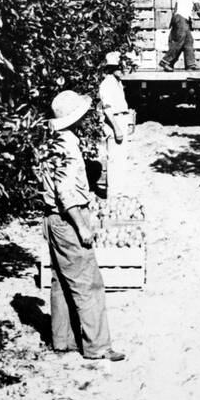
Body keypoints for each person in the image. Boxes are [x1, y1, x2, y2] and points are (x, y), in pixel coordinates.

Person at [39, 90, 124, 362]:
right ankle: (98, 346)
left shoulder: (50, 141)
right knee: (88, 282)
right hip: (68, 217)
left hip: (52, 218)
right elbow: (66, 193)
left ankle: (62, 340)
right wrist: (82, 226)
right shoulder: (66, 146)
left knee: (61, 280)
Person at [97, 52, 133, 201]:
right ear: (112, 68)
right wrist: (117, 128)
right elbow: (107, 108)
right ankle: (113, 193)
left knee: (121, 158)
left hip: (121, 119)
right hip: (114, 122)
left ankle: (119, 191)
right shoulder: (107, 84)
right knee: (115, 159)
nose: (122, 70)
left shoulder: (117, 82)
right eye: (118, 67)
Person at [160, 0, 200, 71]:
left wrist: (173, 22)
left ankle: (190, 64)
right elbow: (198, 9)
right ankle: (165, 61)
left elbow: (175, 9)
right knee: (179, 41)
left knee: (188, 41)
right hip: (182, 19)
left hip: (178, 18)